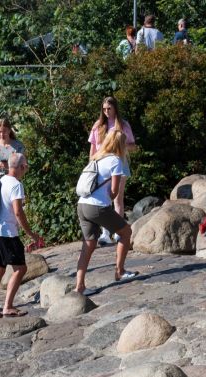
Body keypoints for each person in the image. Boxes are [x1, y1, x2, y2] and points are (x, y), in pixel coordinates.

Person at [76, 129, 138, 294]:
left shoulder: (96, 157)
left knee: (88, 245)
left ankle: (79, 286)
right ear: (120, 145)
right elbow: (114, 192)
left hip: (82, 204)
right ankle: (120, 271)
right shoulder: (116, 161)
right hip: (97, 207)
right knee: (126, 232)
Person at [0, 153, 42, 319]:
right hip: (7, 234)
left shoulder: (0, 180)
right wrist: (31, 234)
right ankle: (8, 306)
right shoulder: (16, 185)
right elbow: (18, 211)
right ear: (21, 167)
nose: (27, 168)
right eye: (26, 165)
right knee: (20, 268)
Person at [88, 97, 136, 245]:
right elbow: (93, 149)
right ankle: (105, 233)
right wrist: (91, 166)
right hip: (102, 167)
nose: (107, 112)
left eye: (109, 108)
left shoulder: (123, 124)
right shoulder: (98, 125)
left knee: (117, 198)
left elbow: (133, 146)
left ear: (115, 108)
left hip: (119, 165)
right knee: (103, 199)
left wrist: (119, 145)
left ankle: (117, 230)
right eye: (104, 109)